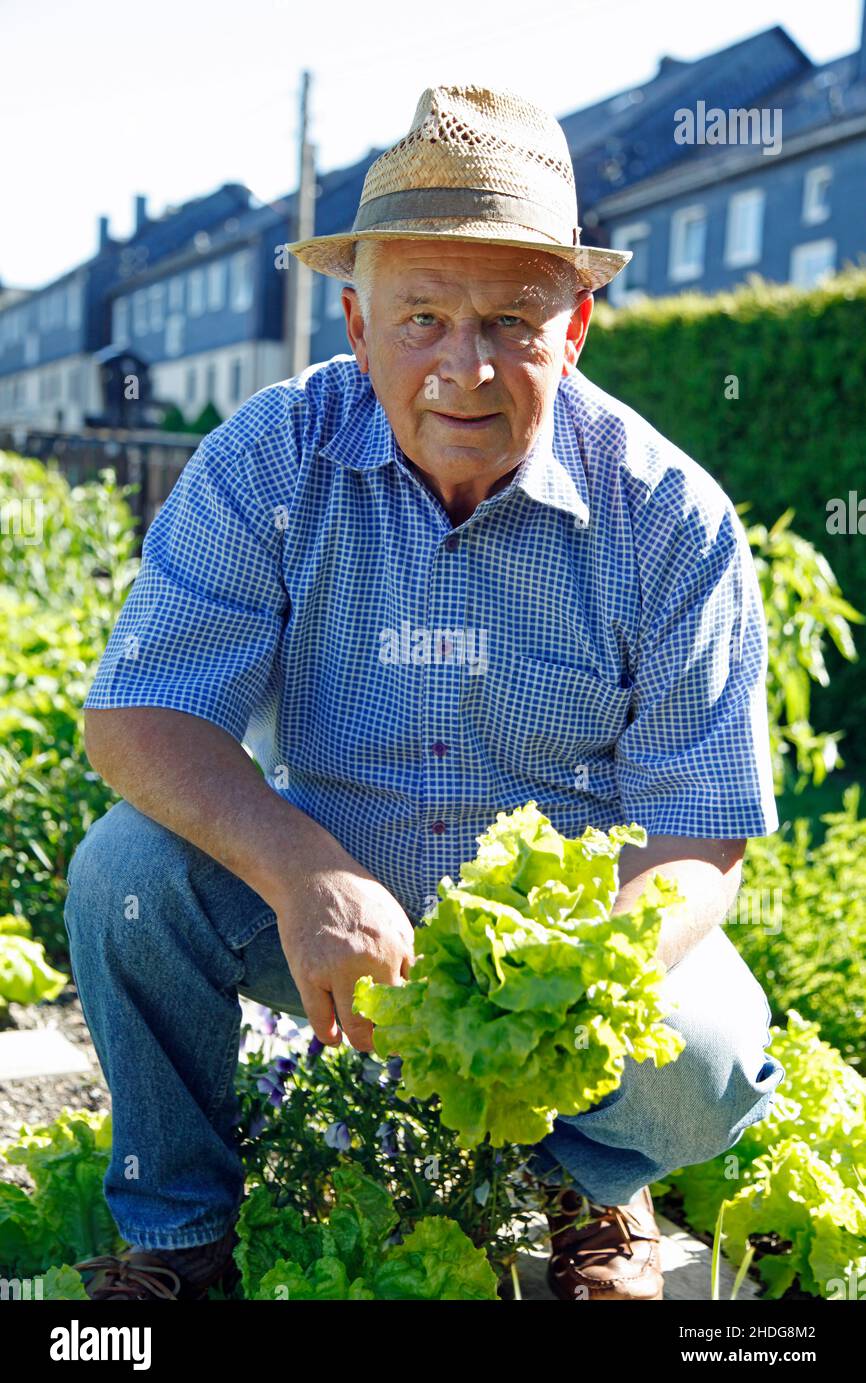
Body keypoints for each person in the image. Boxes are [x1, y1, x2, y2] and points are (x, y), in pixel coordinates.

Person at [65, 83, 785, 1302]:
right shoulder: (271, 455)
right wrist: (304, 872)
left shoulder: (668, 519)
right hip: (323, 915)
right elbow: (138, 721)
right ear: (355, 322)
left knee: (707, 1056)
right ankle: (180, 1242)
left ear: (578, 326)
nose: (466, 366)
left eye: (513, 317)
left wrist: (555, 980)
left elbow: (699, 830)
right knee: (123, 880)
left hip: (553, 943)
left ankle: (583, 1186)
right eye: (423, 317)